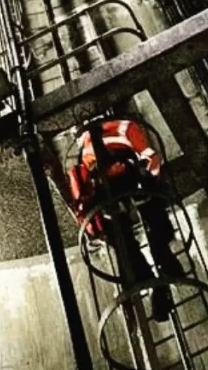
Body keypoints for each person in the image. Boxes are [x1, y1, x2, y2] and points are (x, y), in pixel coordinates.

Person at [67, 116, 184, 322]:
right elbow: (151, 159)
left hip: (117, 187)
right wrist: (150, 178)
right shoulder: (124, 128)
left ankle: (152, 280)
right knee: (151, 225)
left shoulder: (87, 151)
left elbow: (83, 196)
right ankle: (162, 273)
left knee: (124, 240)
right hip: (130, 181)